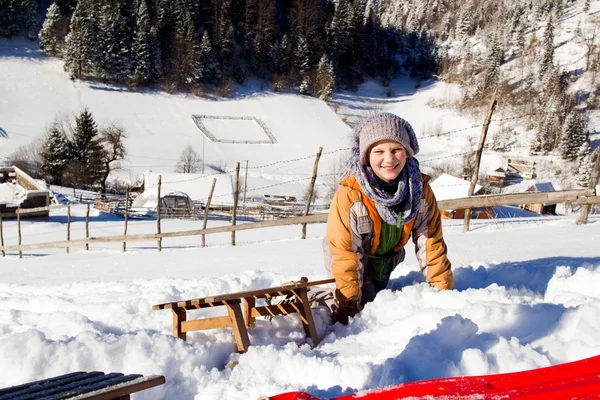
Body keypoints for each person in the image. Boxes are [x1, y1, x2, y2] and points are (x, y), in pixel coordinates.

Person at [323, 112, 454, 324]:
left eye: (396, 150)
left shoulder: (418, 190)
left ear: (407, 152)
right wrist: (348, 303)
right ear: (366, 156)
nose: (389, 159)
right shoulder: (351, 194)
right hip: (349, 264)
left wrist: (443, 290)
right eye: (379, 151)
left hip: (384, 264)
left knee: (376, 300)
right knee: (359, 306)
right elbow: (344, 252)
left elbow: (430, 242)